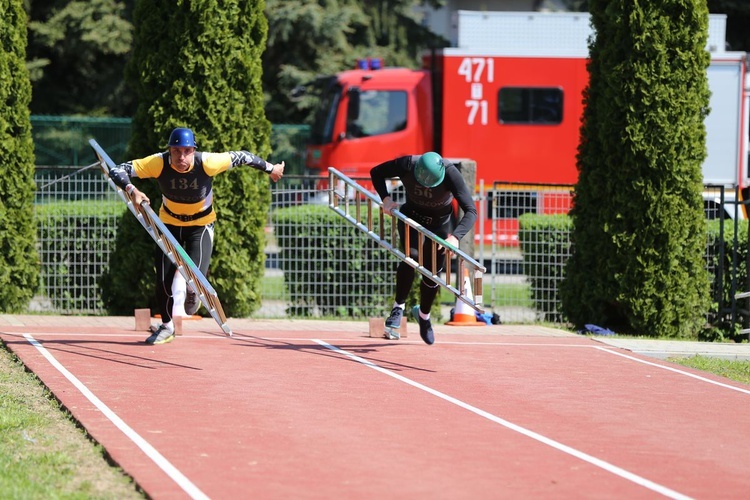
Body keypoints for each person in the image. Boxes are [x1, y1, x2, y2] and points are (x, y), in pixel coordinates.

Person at [109, 127, 284, 345]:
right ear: (169, 151)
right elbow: (117, 169)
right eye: (176, 151)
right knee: (162, 280)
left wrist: (271, 169)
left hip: (200, 226)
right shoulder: (158, 163)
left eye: (186, 151)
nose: (181, 157)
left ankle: (193, 291)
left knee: (195, 278)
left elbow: (243, 156)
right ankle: (167, 326)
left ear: (193, 150)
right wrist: (132, 190)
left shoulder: (207, 162)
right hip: (169, 224)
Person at [370, 152, 477, 345]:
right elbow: (376, 172)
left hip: (440, 225)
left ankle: (424, 317)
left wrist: (455, 237)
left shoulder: (451, 173)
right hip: (411, 217)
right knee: (411, 257)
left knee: (432, 273)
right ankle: (398, 307)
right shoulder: (407, 164)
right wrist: (385, 199)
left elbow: (471, 210)